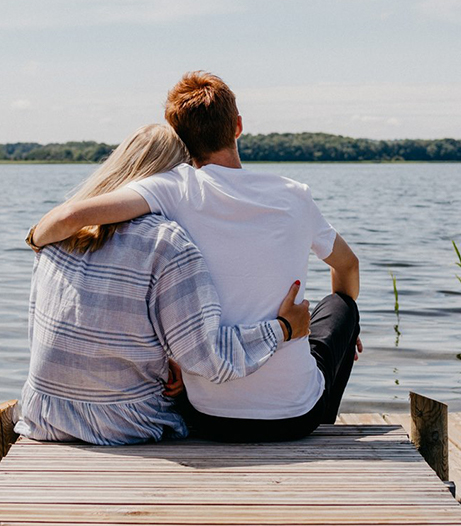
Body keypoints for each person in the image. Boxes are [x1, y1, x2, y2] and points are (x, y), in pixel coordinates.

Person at [28, 72, 361, 442]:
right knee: (340, 309)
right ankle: (322, 421)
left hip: (204, 415)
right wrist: (342, 336)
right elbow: (348, 265)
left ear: (180, 139)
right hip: (295, 418)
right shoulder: (294, 196)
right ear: (238, 126)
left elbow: (69, 217)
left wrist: (37, 241)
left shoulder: (170, 190)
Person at [15, 123, 310, 446]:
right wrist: (283, 327)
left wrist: (169, 359)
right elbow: (209, 358)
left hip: (45, 414)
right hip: (124, 423)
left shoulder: (57, 235)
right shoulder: (164, 242)